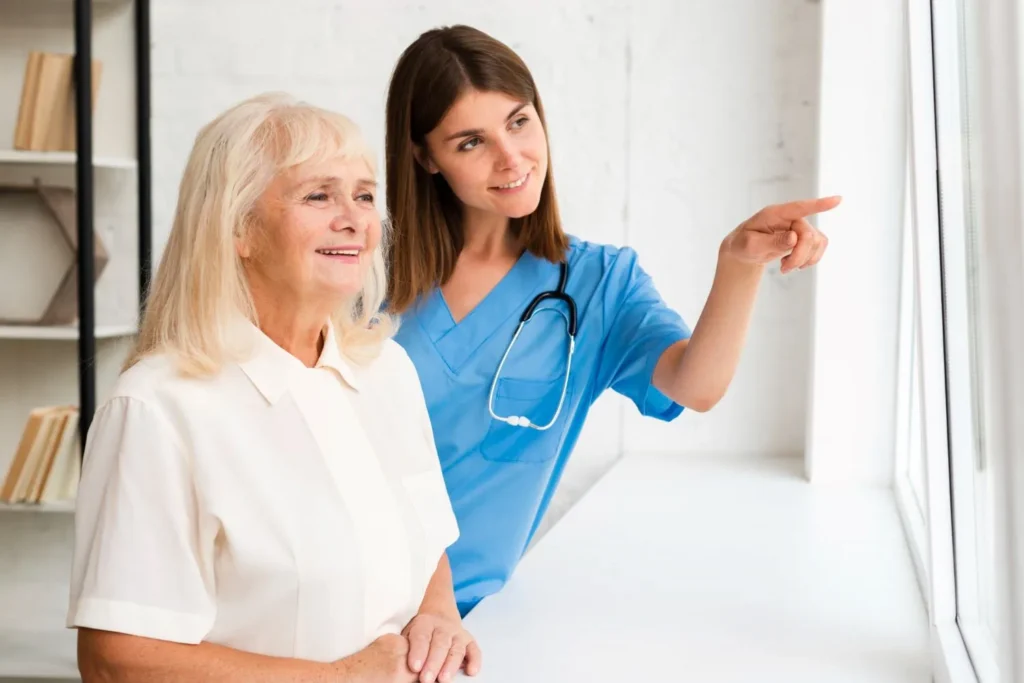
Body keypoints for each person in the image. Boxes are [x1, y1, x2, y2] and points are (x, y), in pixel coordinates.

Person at [383, 24, 841, 617]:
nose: (511, 157)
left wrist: (739, 264)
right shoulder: (368, 280)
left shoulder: (598, 285)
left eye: (519, 122)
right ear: (425, 157)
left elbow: (694, 387)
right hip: (348, 600)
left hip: (469, 624)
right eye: (471, 142)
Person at [67, 93, 480, 683]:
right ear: (239, 228)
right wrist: (343, 677)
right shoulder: (158, 406)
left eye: (364, 195)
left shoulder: (387, 370)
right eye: (319, 195)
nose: (354, 218)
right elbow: (117, 661)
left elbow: (426, 534)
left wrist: (439, 612)